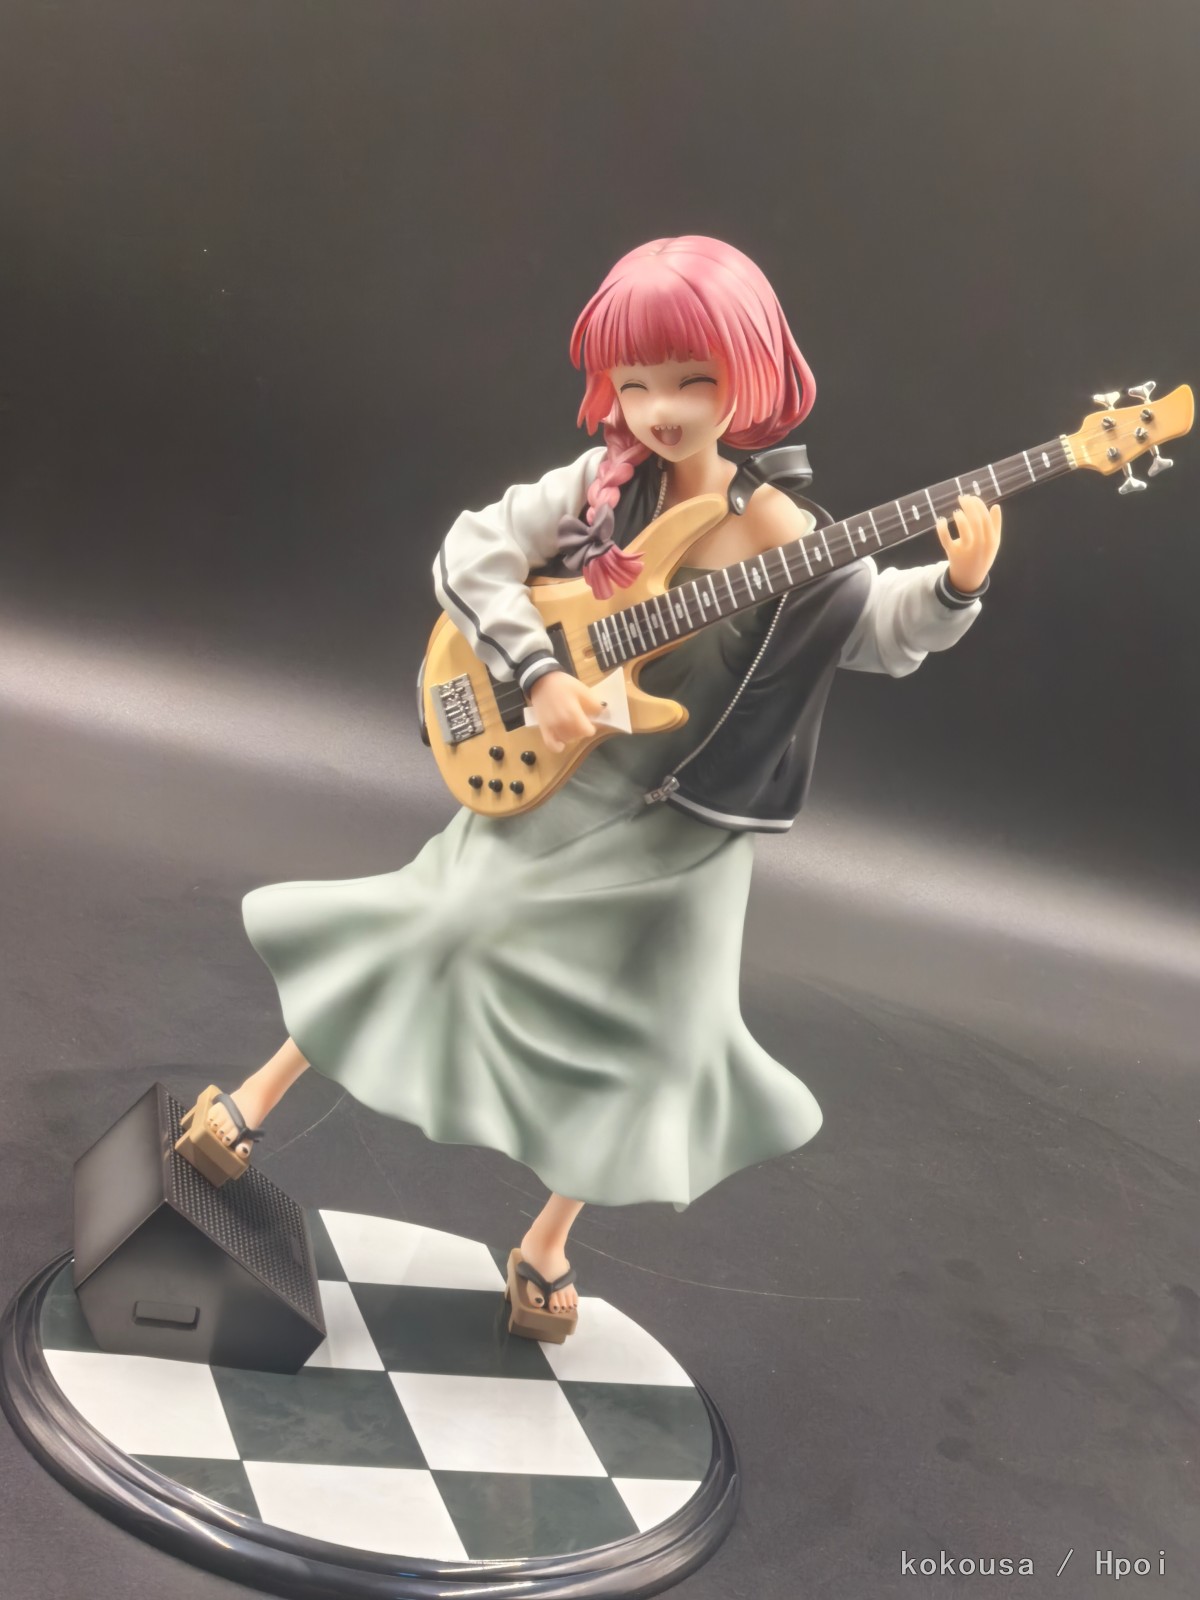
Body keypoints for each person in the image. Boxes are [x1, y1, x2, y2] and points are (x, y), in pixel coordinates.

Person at [175, 236, 1001, 1340]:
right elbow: (471, 555)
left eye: (691, 380)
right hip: (566, 775)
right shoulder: (602, 484)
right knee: (439, 920)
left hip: (689, 829)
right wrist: (538, 671)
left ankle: (547, 1242)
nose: (660, 409)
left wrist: (955, 585)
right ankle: (254, 1099)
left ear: (750, 373)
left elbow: (879, 635)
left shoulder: (789, 533)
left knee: (657, 1039)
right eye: (636, 382)